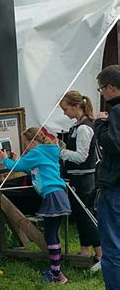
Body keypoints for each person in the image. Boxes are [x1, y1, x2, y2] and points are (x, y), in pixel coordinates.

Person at [0, 127, 71, 284]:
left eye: (26, 143)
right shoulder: (47, 151)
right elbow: (32, 170)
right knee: (51, 234)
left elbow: (16, 167)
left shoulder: (36, 152)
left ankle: (57, 274)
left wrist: (6, 159)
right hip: (58, 195)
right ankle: (55, 270)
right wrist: (17, 159)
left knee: (51, 236)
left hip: (52, 197)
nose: (25, 146)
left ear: (33, 141)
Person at [91, 64, 120, 290]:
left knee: (112, 247)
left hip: (115, 187)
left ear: (111, 87)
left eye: (102, 89)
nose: (102, 93)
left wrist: (100, 125)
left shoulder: (116, 112)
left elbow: (113, 144)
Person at [59, 91, 101, 263]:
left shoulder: (84, 128)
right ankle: (84, 250)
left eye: (66, 109)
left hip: (84, 177)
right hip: (77, 177)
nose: (64, 113)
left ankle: (100, 254)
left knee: (86, 214)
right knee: (79, 214)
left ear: (76, 107)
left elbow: (81, 156)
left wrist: (60, 152)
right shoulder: (77, 126)